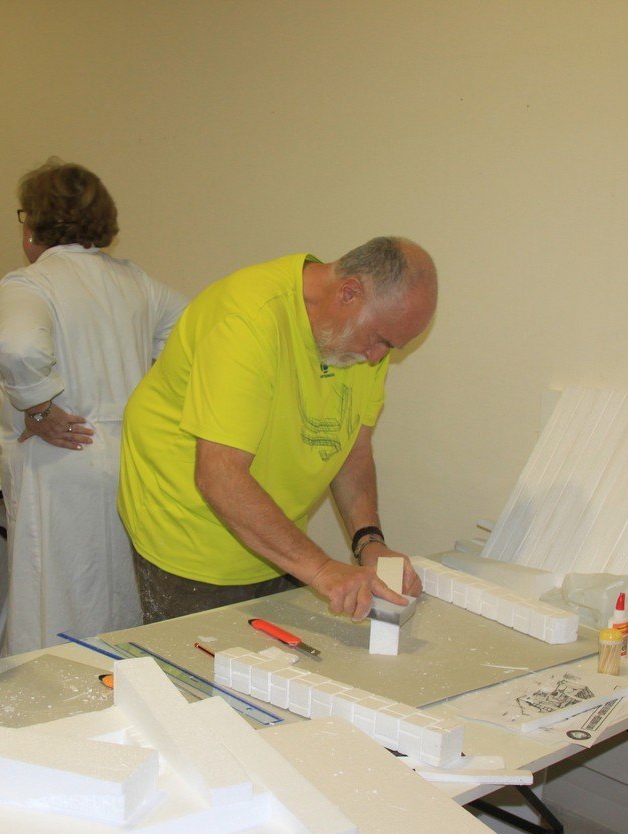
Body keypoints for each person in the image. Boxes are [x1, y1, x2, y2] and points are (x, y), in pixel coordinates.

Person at [118, 236, 437, 624]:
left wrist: (369, 542)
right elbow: (220, 476)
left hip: (272, 529)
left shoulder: (363, 342)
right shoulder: (247, 320)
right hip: (189, 531)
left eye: (391, 348)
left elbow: (351, 450)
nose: (377, 358)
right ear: (349, 293)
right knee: (201, 659)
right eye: (380, 340)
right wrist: (321, 569)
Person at [0, 160, 188, 654]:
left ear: (33, 222)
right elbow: (194, 334)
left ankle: (59, 696)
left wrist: (37, 406)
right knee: (120, 602)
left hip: (62, 461)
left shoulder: (31, 282)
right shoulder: (134, 281)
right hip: (128, 462)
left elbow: (17, 347)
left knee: (56, 606)